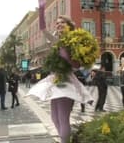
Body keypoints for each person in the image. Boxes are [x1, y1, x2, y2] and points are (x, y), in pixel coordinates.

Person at [27, 15, 93, 143]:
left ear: (69, 25)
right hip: (55, 80)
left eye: (62, 22)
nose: (59, 24)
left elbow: (77, 64)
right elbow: (43, 29)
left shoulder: (74, 40)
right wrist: (41, 10)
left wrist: (67, 57)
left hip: (66, 80)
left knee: (63, 118)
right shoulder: (56, 41)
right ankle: (65, 140)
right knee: (54, 117)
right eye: (57, 23)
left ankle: (65, 141)